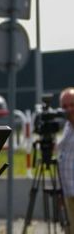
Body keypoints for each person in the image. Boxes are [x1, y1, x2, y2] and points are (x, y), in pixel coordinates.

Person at [58, 87, 74, 234]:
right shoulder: (68, 126)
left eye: (72, 105)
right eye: (64, 106)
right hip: (68, 192)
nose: (68, 109)